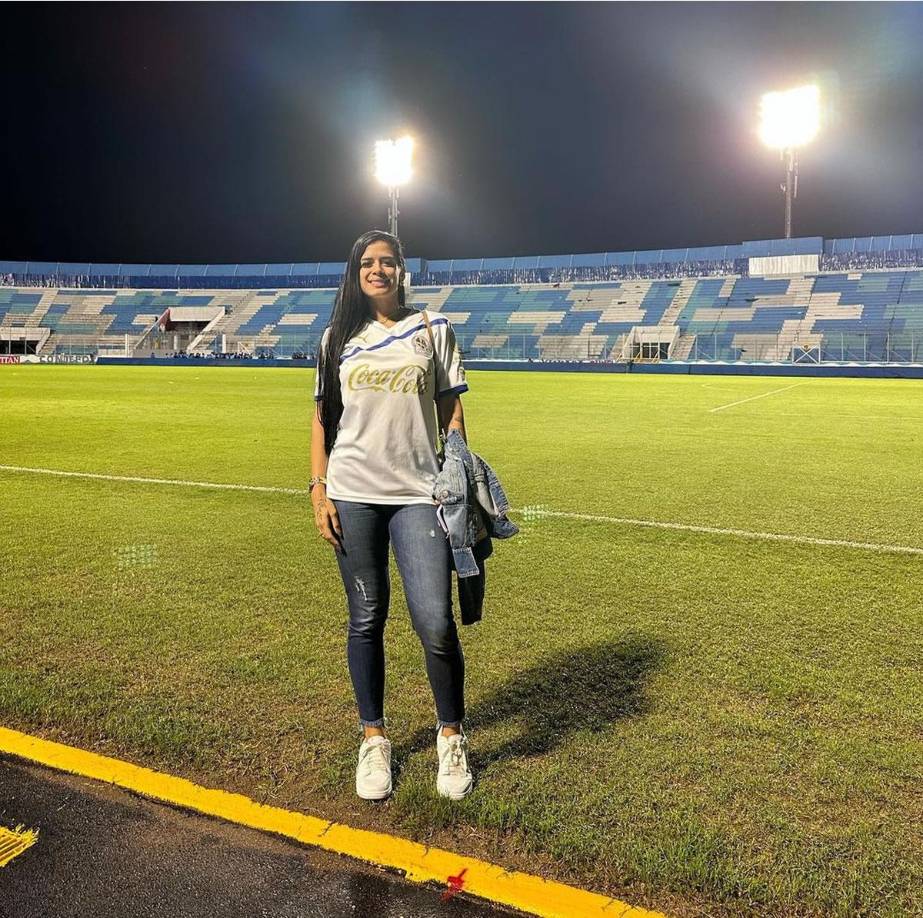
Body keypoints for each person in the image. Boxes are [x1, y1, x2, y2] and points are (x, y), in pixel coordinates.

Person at [310, 229, 473, 802]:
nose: (378, 270)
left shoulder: (433, 329)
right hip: (353, 492)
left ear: (403, 269)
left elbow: (451, 406)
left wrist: (455, 461)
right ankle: (373, 736)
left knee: (434, 620)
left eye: (387, 262)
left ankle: (450, 734)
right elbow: (323, 420)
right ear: (355, 272)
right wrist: (319, 489)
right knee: (366, 618)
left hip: (418, 495)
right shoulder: (337, 338)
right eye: (367, 263)